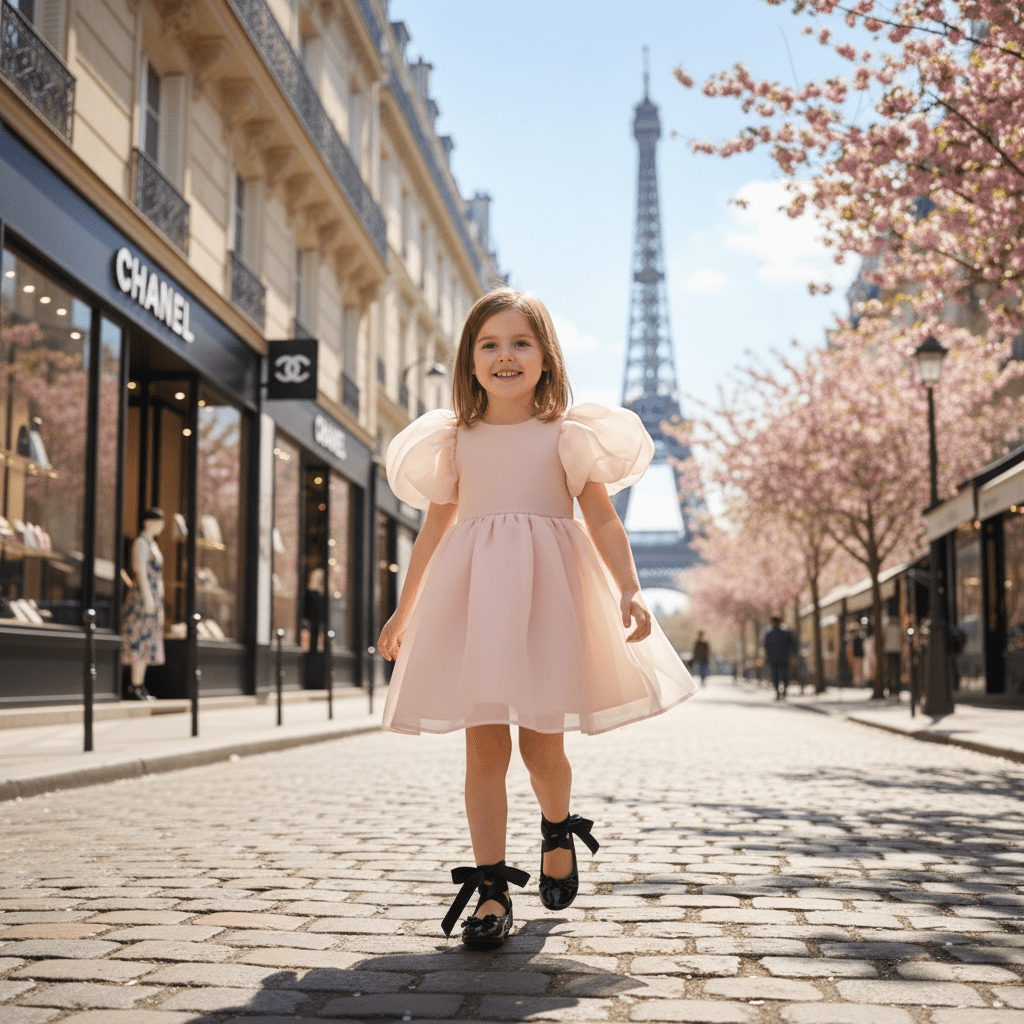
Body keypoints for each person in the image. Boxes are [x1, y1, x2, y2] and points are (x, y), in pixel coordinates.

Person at [378, 288, 696, 951]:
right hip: (477, 605)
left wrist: (631, 590)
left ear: (546, 357)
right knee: (484, 750)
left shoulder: (567, 436)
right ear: (469, 361)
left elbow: (602, 519)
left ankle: (556, 827)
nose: (505, 356)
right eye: (489, 344)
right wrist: (405, 609)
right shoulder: (453, 441)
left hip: (548, 601)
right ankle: (492, 889)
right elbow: (432, 532)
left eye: (521, 342)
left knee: (542, 749)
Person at [121, 508, 165, 700]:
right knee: (138, 639)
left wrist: (158, 598)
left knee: (148, 642)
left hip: (153, 597)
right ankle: (135, 686)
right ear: (148, 522)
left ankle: (140, 685)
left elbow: (158, 576)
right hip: (142, 597)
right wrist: (147, 598)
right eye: (159, 522)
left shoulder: (153, 544)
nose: (161, 526)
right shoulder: (141, 543)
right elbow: (140, 572)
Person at [763, 615, 795, 701]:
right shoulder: (786, 632)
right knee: (784, 675)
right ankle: (783, 692)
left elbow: (766, 647)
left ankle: (778, 692)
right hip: (784, 657)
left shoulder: (769, 633)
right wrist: (793, 655)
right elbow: (793, 644)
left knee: (775, 676)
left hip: (774, 658)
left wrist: (767, 657)